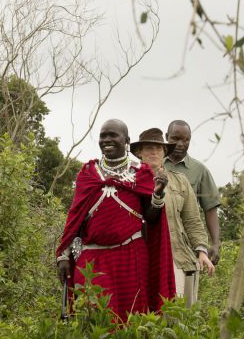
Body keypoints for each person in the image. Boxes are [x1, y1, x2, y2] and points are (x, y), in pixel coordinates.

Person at [56, 119, 176, 322]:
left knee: (129, 321)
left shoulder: (141, 174)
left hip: (130, 256)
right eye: (103, 136)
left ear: (127, 141)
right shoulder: (87, 174)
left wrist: (157, 194)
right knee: (92, 320)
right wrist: (64, 255)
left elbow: (151, 218)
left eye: (113, 135)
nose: (107, 140)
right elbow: (75, 217)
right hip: (92, 259)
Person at [130, 128, 215, 306]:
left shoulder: (180, 181)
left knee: (178, 317)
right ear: (139, 153)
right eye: (148, 148)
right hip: (140, 258)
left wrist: (201, 250)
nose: (154, 152)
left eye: (159, 148)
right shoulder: (129, 181)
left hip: (177, 257)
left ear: (165, 152)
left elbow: (192, 220)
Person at [165, 120, 223, 265]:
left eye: (186, 140)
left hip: (188, 245)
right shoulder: (153, 165)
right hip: (159, 240)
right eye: (175, 138)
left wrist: (215, 244)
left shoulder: (199, 170)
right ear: (167, 137)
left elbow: (210, 209)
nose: (180, 144)